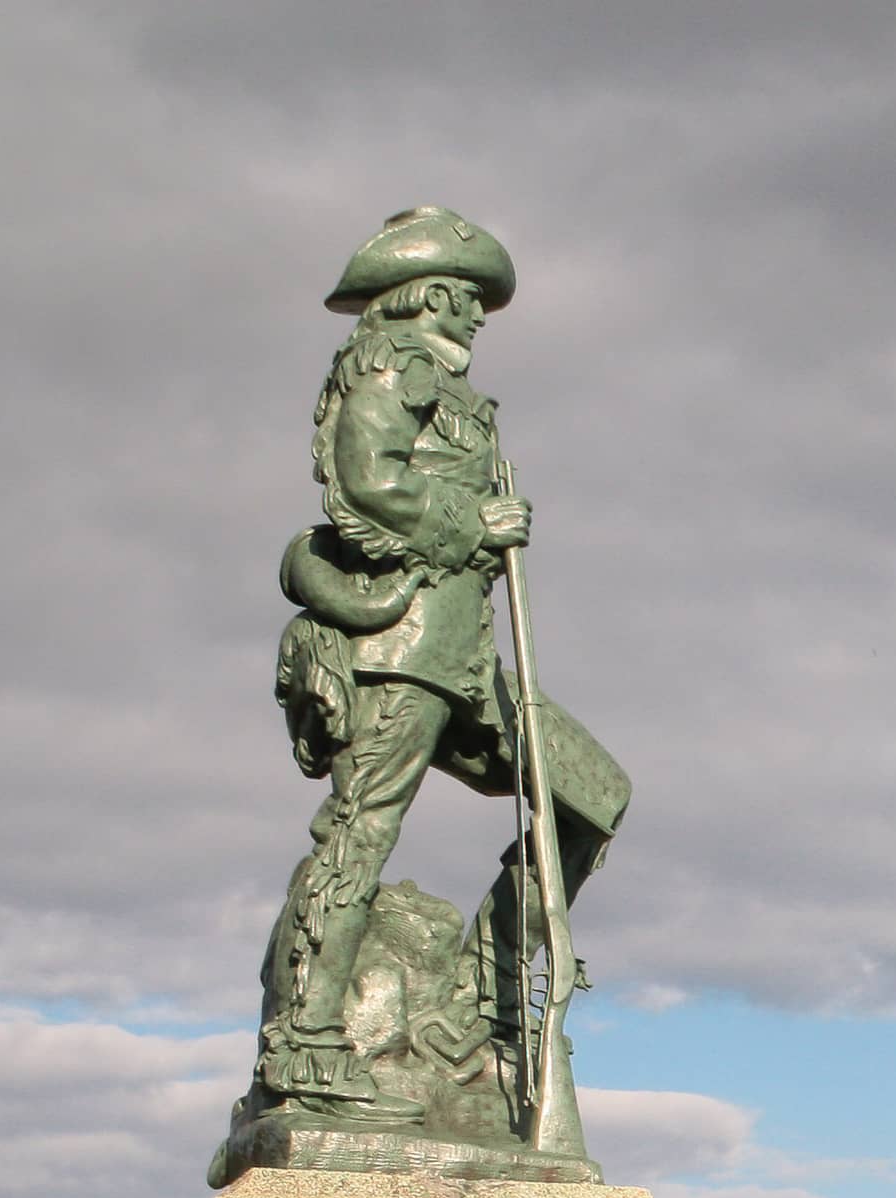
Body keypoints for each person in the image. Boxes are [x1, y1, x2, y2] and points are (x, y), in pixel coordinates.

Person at [251, 206, 630, 1127]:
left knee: (592, 797)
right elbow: (365, 482)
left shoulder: (451, 390)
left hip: (461, 654)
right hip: (403, 647)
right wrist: (475, 525)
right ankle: (306, 1042)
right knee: (362, 833)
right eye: (464, 297)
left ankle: (490, 997)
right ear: (423, 296)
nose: (476, 317)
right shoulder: (397, 364)